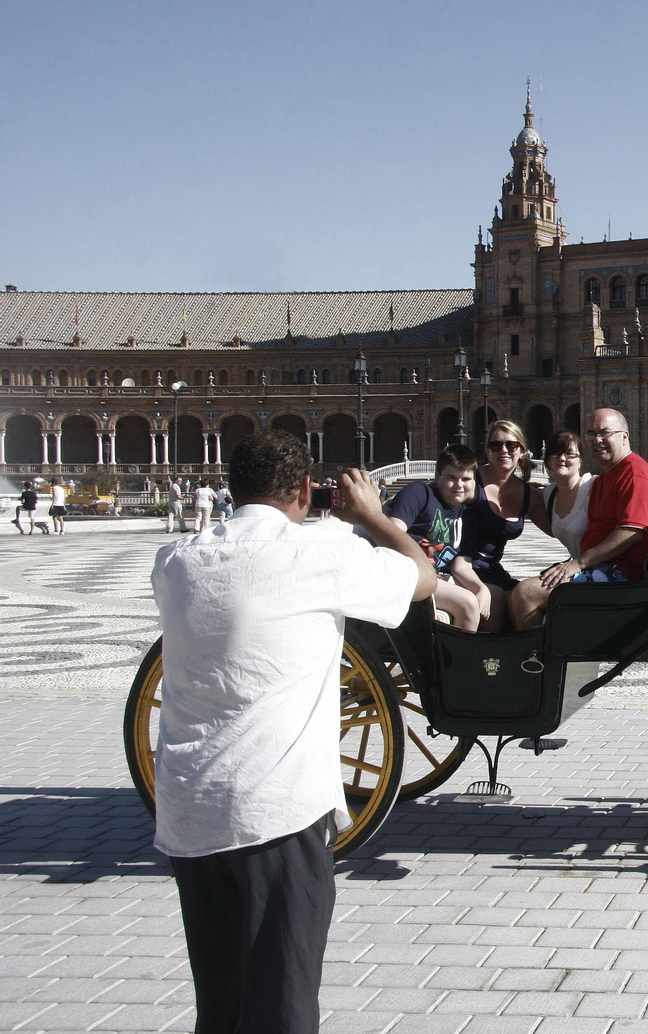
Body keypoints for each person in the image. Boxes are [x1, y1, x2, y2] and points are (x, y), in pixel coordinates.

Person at [150, 430, 435, 1034]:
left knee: (221, 1004)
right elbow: (423, 578)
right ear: (306, 489)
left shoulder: (173, 562)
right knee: (284, 1002)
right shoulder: (318, 556)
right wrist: (374, 517)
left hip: (189, 813)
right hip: (274, 811)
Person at [509, 408, 648, 630]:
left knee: (526, 593)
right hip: (602, 569)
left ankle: (534, 662)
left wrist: (577, 564)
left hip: (621, 577)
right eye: (591, 434)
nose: (597, 440)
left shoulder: (634, 473)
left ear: (625, 436)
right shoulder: (606, 476)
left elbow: (631, 532)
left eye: (605, 433)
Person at [385, 444, 490, 631]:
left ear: (474, 481)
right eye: (451, 478)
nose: (459, 485)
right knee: (468, 603)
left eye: (466, 479)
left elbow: (462, 566)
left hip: (436, 578)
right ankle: (455, 660)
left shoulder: (468, 517)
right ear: (437, 476)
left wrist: (482, 589)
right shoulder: (419, 493)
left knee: (492, 598)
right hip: (406, 573)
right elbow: (392, 533)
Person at [461, 419, 535, 630]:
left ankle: (527, 660)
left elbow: (560, 527)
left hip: (492, 570)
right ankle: (486, 661)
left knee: (527, 599)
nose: (503, 450)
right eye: (496, 445)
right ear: (487, 450)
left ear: (521, 451)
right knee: (498, 601)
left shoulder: (529, 494)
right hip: (463, 566)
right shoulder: (470, 482)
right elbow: (433, 500)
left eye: (510, 445)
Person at [517, 429, 594, 628]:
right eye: (555, 454)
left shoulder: (593, 487)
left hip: (599, 570)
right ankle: (533, 653)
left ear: (580, 460)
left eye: (570, 454)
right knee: (520, 594)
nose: (562, 459)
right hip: (575, 570)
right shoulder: (548, 495)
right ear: (548, 462)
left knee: (524, 593)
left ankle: (537, 653)